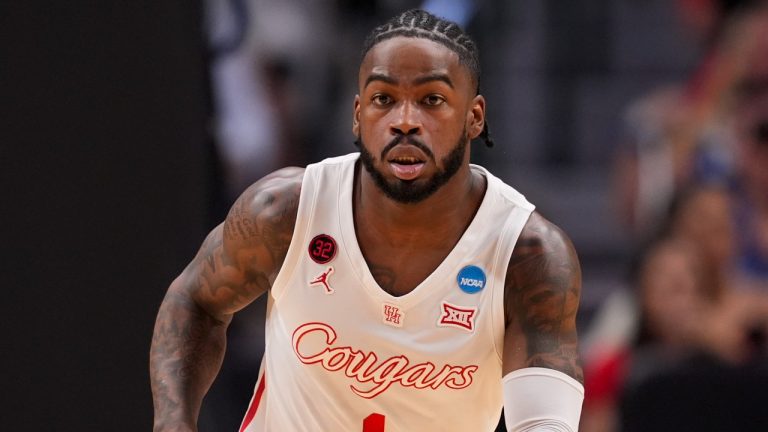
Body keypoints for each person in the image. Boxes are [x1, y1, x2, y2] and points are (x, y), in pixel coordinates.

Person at [150, 9, 584, 432]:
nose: (406, 121)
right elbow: (196, 302)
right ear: (359, 116)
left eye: (432, 100)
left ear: (474, 117)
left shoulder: (529, 255)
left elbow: (544, 419)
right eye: (384, 99)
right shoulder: (286, 210)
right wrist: (174, 421)